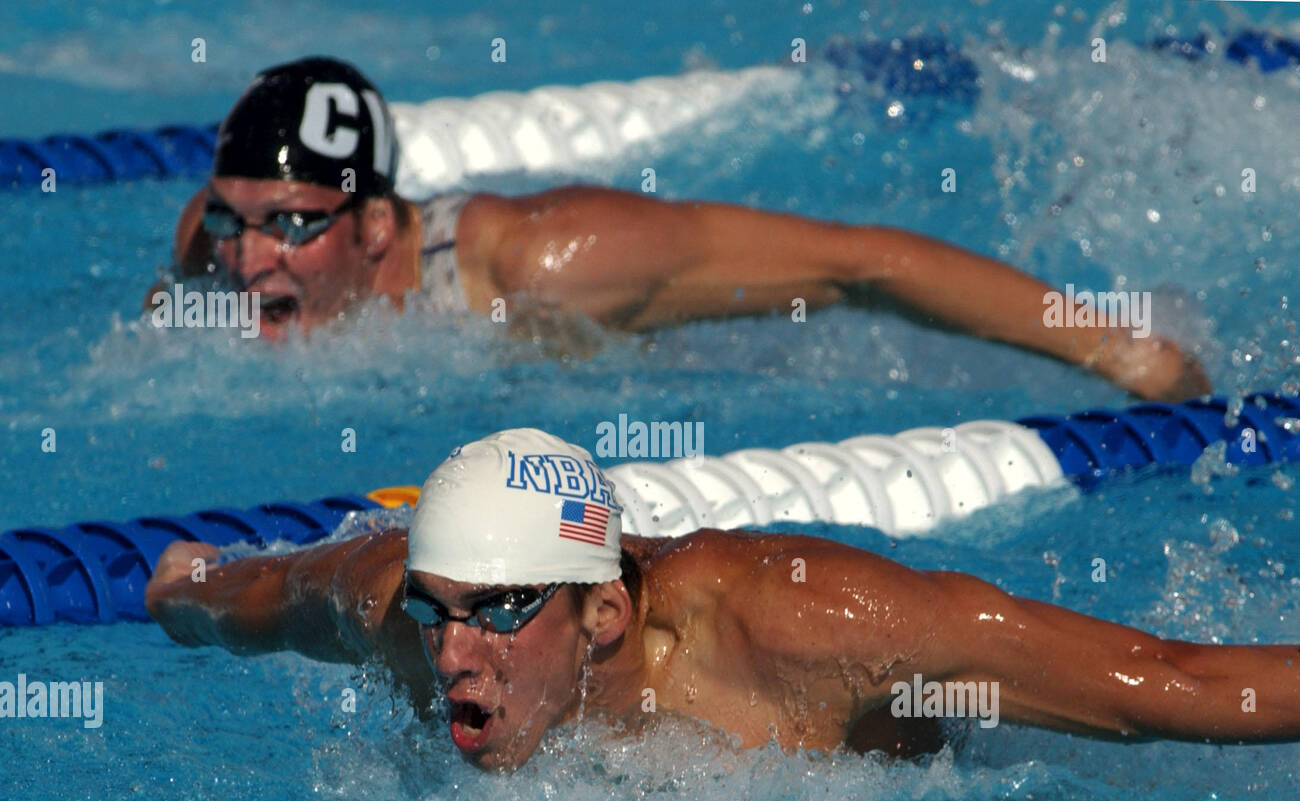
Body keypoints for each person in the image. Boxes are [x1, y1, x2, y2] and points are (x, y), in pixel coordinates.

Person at [145, 428, 1300, 773]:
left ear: (600, 615)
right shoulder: (388, 609)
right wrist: (178, 580)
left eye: (496, 612)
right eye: (436, 610)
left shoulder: (810, 628)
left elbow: (1172, 682)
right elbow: (240, 585)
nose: (452, 654)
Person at [151, 56, 1208, 399]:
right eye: (238, 227)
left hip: (736, 354)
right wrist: (223, 237)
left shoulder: (543, 262)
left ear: (377, 224)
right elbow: (207, 229)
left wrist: (1115, 345)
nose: (251, 261)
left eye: (290, 225)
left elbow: (860, 262)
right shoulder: (227, 246)